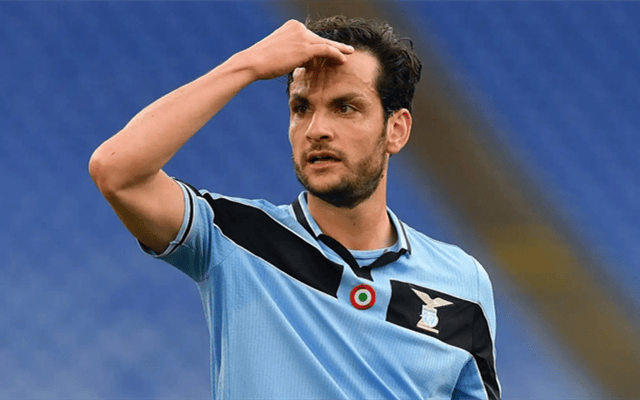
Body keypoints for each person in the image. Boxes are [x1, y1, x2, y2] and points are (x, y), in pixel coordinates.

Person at [89, 15, 500, 399]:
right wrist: (247, 64)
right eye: (301, 108)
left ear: (396, 129)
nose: (317, 130)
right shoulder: (231, 239)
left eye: (345, 107)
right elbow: (117, 171)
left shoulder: (463, 282)